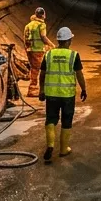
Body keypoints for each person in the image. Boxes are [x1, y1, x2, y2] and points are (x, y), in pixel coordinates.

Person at [38, 26, 87, 163]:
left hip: (51, 94)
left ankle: (50, 145)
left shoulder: (48, 55)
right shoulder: (73, 55)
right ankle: (63, 149)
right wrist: (84, 89)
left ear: (59, 41)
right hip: (67, 95)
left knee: (51, 119)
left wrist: (41, 90)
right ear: (68, 41)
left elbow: (42, 74)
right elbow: (79, 75)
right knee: (66, 121)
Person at [23, 7, 54, 97]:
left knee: (33, 68)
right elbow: (43, 37)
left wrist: (27, 48)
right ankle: (33, 89)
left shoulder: (28, 25)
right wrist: (51, 45)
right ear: (43, 15)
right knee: (38, 70)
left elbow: (25, 38)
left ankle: (35, 88)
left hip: (30, 50)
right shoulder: (41, 25)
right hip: (38, 50)